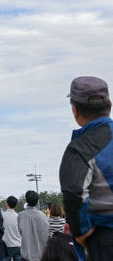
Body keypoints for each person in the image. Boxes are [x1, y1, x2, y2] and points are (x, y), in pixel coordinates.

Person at [59, 76, 113, 261]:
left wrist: (81, 230)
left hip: (105, 239)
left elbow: (74, 191)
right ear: (110, 105)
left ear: (75, 111)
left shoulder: (80, 148)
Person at [18, 190, 49, 261]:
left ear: (26, 200)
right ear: (37, 201)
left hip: (27, 256)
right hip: (41, 256)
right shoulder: (43, 215)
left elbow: (18, 234)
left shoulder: (21, 215)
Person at [1, 196, 22, 261]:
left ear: (6, 204)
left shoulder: (2, 216)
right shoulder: (19, 216)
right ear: (16, 205)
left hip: (5, 245)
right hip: (18, 245)